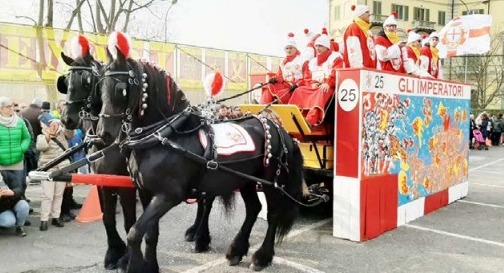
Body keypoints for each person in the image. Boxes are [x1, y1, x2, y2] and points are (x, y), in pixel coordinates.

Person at [288, 33, 344, 127]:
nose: (317, 48)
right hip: (315, 87)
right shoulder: (313, 61)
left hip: (328, 87)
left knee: (321, 92)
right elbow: (307, 76)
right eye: (316, 46)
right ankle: (293, 118)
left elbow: (336, 72)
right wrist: (312, 83)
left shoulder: (336, 57)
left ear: (326, 46)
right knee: (299, 90)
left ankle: (310, 121)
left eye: (320, 46)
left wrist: (328, 83)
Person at [36, 115, 70, 231]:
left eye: (55, 124)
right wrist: (48, 136)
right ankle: (44, 219)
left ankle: (56, 217)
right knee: (47, 195)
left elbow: (71, 133)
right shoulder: (41, 136)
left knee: (58, 195)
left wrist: (64, 123)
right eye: (51, 125)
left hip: (62, 169)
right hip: (47, 170)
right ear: (46, 126)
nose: (54, 127)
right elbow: (41, 147)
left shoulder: (63, 134)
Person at [0, 96, 31, 206]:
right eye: (8, 107)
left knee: (19, 187)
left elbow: (27, 138)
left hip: (17, 160)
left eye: (11, 106)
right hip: (1, 162)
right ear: (1, 108)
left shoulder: (20, 121)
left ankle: (20, 212)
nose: (11, 109)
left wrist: (21, 149)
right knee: (3, 188)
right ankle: (5, 212)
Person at [261, 33, 308, 104]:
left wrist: (298, 84)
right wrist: (275, 79)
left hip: (297, 86)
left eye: (291, 48)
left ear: (295, 49)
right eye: (287, 48)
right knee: (268, 86)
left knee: (282, 93)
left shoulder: (303, 61)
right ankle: (263, 105)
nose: (289, 50)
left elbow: (307, 77)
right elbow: (280, 76)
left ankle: (278, 109)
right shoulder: (283, 63)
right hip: (285, 85)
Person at [343, 4, 376, 68]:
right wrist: (359, 69)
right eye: (367, 12)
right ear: (360, 14)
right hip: (361, 71)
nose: (369, 14)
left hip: (369, 70)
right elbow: (354, 52)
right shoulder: (354, 28)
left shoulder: (367, 30)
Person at [0, 172, 29, 236]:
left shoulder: (6, 174)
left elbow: (20, 189)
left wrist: (12, 192)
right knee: (8, 222)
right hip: (2, 209)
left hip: (12, 203)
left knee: (24, 206)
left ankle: (19, 227)